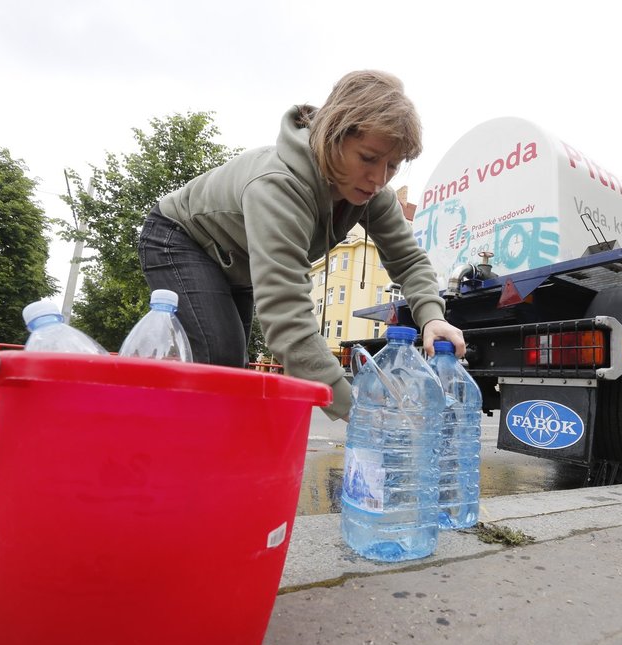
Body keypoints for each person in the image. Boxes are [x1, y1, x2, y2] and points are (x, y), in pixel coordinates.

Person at [138, 70, 465, 420]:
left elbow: (409, 261)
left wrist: (432, 318)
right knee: (219, 359)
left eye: (393, 165)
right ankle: (150, 435)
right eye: (368, 158)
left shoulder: (372, 195)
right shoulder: (278, 185)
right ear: (334, 136)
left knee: (230, 372)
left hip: (238, 260)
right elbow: (285, 315)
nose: (379, 178)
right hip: (180, 238)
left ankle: (205, 452)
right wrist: (358, 409)